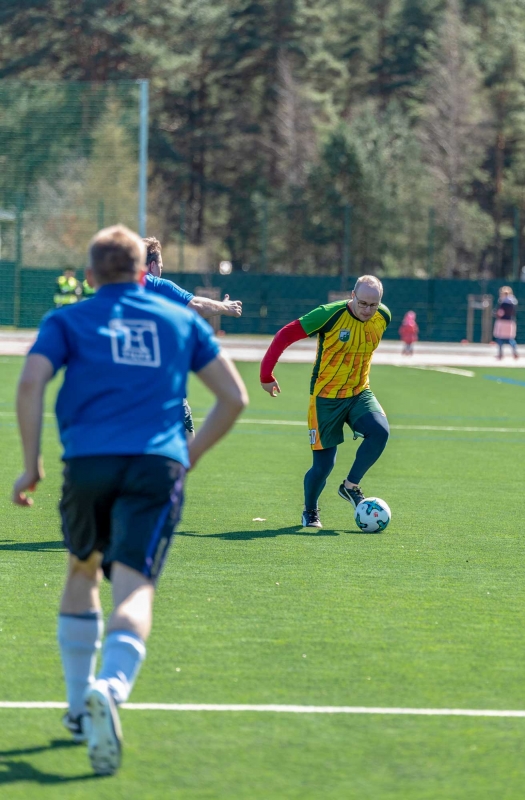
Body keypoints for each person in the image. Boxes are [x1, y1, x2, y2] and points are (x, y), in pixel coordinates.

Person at [12, 225, 248, 776]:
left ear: (90, 275)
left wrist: (30, 465)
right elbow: (233, 398)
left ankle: (76, 707)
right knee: (134, 586)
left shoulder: (68, 318)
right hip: (155, 463)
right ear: (146, 272)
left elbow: (30, 384)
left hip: (88, 463)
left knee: (81, 571)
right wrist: (187, 457)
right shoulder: (178, 318)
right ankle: (111, 688)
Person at [260, 275, 391, 529]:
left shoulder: (383, 317)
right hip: (325, 399)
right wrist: (266, 374)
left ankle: (350, 486)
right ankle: (310, 510)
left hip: (358, 393)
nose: (367, 310)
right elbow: (284, 335)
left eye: (372, 305)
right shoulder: (328, 314)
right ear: (352, 295)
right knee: (323, 466)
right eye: (362, 303)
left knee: (380, 432)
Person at [143, 236, 243, 438]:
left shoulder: (112, 288)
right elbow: (196, 305)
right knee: (183, 452)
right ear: (152, 265)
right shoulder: (155, 285)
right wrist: (225, 307)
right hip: (163, 391)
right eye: (160, 265)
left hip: (121, 394)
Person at [493, 286, 518, 360]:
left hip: (502, 322)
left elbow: (500, 313)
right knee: (510, 339)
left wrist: (495, 313)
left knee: (500, 338)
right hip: (510, 322)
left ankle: (500, 354)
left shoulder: (503, 303)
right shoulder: (513, 302)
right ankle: (514, 352)